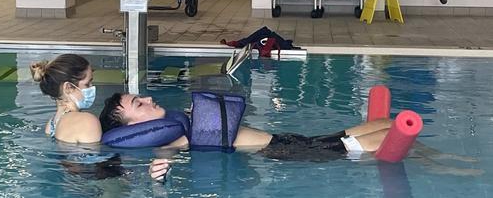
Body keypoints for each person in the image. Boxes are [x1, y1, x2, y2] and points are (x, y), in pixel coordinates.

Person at [100, 93, 399, 181]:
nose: (149, 98)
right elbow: (158, 181)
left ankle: (430, 155)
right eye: (139, 104)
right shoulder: (163, 146)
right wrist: (157, 181)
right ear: (131, 128)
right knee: (390, 137)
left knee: (387, 123)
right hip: (284, 154)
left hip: (287, 141)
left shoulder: (176, 125)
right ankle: (440, 162)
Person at [31, 54, 101, 144]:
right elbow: (90, 156)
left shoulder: (51, 125)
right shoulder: (86, 121)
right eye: (87, 84)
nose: (92, 88)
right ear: (68, 87)